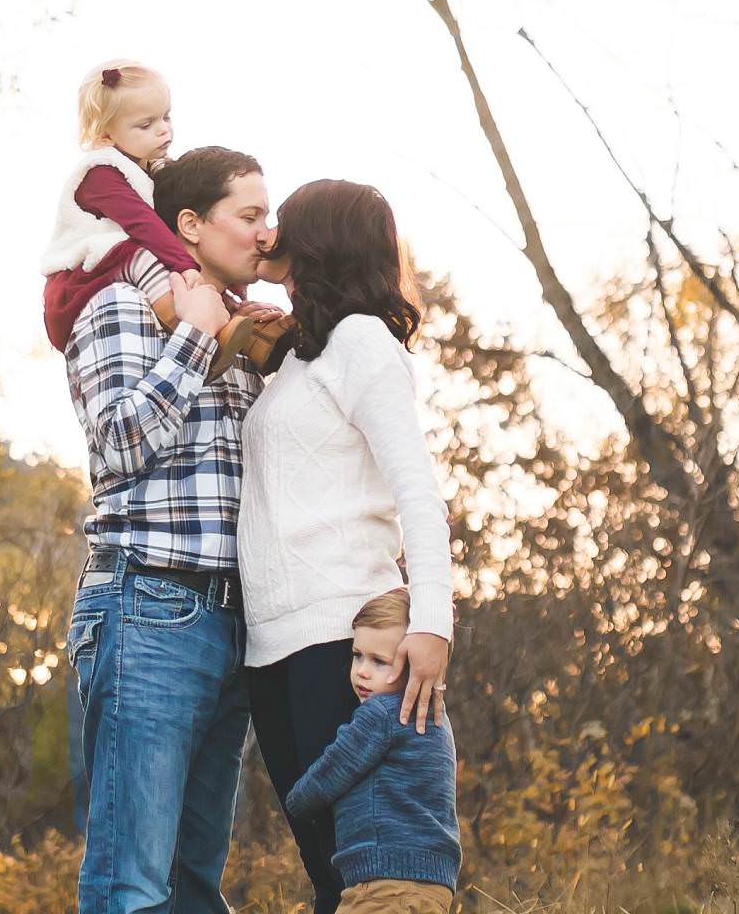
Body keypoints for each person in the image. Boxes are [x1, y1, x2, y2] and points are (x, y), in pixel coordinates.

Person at [62, 146, 271, 913]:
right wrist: (190, 332)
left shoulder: (252, 336)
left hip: (234, 624)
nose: (265, 233)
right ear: (190, 223)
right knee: (133, 885)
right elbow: (116, 447)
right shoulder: (115, 307)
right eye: (249, 216)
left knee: (192, 888)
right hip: (147, 606)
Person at [239, 178, 455, 914]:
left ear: (320, 239)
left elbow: (418, 492)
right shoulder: (300, 354)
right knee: (330, 877)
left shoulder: (365, 343)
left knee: (364, 880)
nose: (269, 235)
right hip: (271, 645)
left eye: (283, 222)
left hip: (341, 634)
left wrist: (431, 626)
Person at [40, 60, 268, 374]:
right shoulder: (101, 173)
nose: (163, 129)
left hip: (114, 261)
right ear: (107, 136)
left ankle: (245, 328)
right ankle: (184, 324)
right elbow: (143, 224)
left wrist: (233, 292)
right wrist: (186, 266)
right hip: (79, 275)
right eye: (145, 125)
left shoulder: (147, 167)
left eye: (166, 116)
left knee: (163, 263)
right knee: (143, 256)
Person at [286, 589, 460, 913]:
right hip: (433, 883)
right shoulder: (438, 718)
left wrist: (296, 800)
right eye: (357, 655)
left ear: (415, 666)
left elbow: (330, 772)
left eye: (380, 661)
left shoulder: (380, 715)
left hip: (383, 884)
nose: (362, 671)